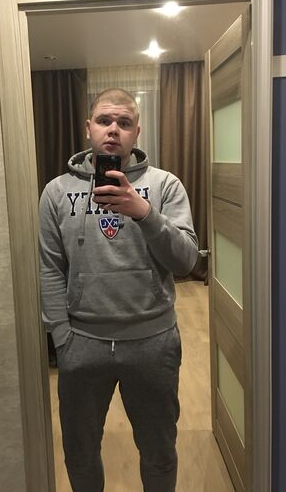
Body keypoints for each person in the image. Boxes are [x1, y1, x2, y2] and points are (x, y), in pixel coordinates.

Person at [39, 88, 198, 492]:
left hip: (153, 342)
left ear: (136, 132)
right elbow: (50, 268)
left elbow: (186, 261)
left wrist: (144, 212)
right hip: (82, 343)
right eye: (104, 120)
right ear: (88, 127)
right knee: (79, 453)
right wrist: (62, 338)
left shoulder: (165, 185)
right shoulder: (56, 192)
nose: (113, 130)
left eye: (124, 123)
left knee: (159, 451)